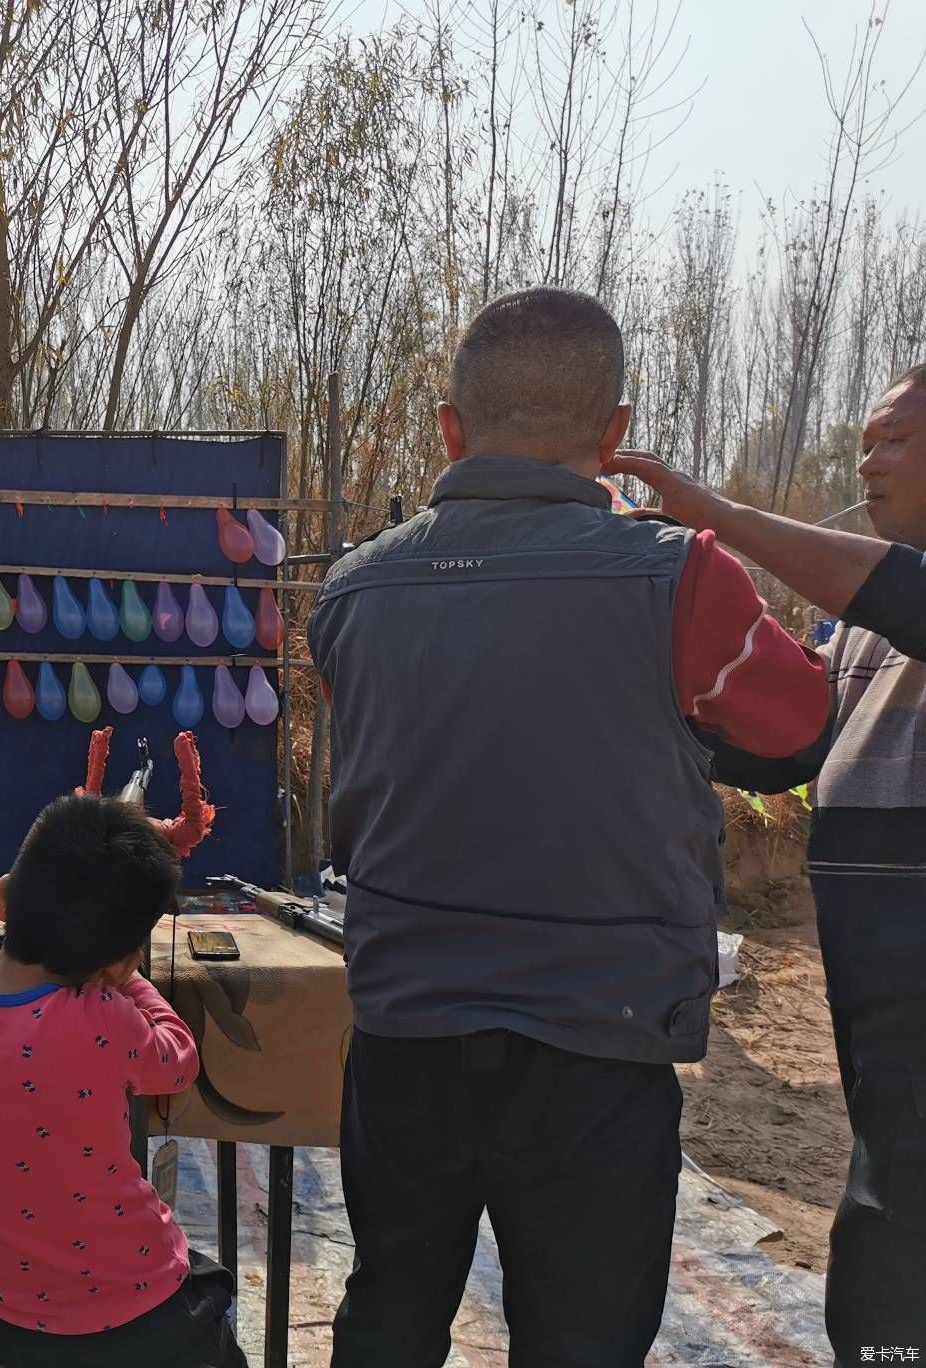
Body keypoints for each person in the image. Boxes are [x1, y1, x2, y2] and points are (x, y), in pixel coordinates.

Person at [307, 287, 832, 1368]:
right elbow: (799, 728)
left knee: (389, 1317)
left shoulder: (352, 592)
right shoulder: (682, 580)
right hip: (600, 1043)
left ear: (450, 429)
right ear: (615, 436)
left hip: (408, 1034)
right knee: (583, 1341)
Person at [606, 363, 926, 1362]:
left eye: (899, 440)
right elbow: (789, 744)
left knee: (894, 1226)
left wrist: (707, 518)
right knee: (885, 1206)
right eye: (868, 439)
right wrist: (664, 701)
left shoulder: (898, 596)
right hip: (877, 988)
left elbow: (903, 593)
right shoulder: (868, 636)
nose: (870, 459)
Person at [0, 793, 246, 1368]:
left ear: (3, 898)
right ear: (119, 959)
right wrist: (130, 983)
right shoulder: (103, 1017)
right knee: (211, 1293)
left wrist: (113, 967)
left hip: (2, 1318)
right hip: (138, 1318)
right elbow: (178, 1059)